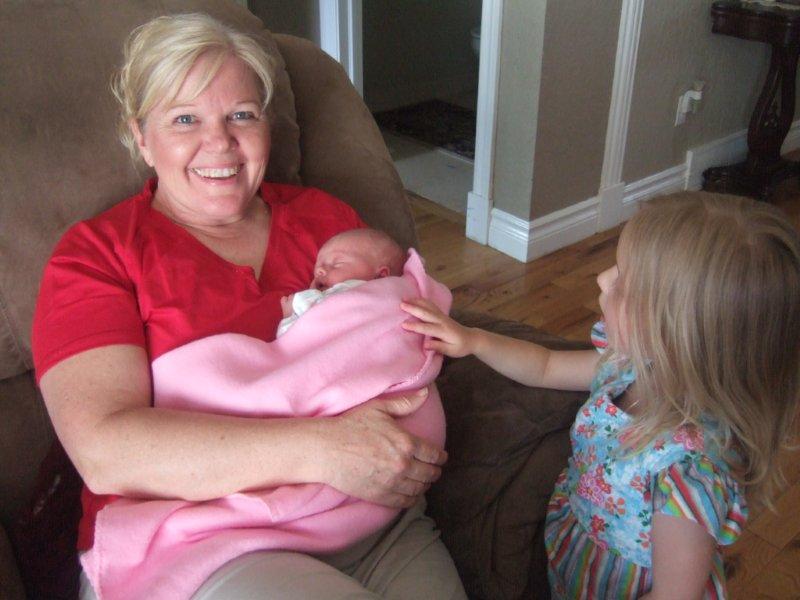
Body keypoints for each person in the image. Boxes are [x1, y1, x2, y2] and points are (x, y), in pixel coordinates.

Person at [31, 12, 466, 600]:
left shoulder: (330, 224)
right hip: (201, 545)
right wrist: (324, 449)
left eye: (241, 115)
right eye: (185, 119)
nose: (220, 143)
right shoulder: (98, 256)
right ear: (142, 137)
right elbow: (106, 452)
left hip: (376, 522)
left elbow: (402, 338)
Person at [402, 194, 800, 599]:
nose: (603, 278)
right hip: (579, 552)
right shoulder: (629, 365)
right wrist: (473, 340)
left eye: (624, 282)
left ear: (675, 337)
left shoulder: (688, 475)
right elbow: (546, 366)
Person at [277, 228, 406, 336]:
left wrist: (291, 313)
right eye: (317, 268)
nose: (319, 270)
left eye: (336, 264)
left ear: (381, 276)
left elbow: (292, 339)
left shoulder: (356, 289)